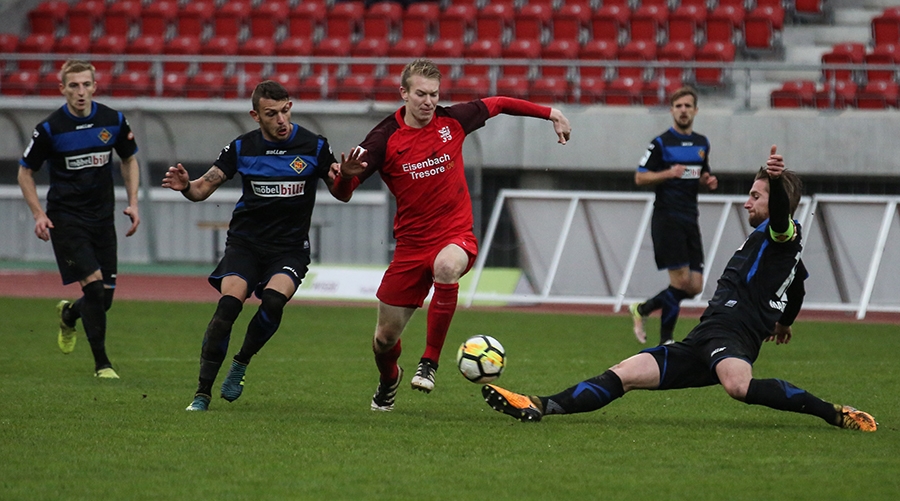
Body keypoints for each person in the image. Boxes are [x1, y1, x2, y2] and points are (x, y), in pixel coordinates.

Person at [481, 146, 877, 433]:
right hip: (704, 336)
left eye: (755, 195)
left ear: (777, 203)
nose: (746, 203)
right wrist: (785, 322)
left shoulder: (783, 234)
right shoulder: (774, 247)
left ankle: (834, 413)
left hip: (734, 335)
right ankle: (539, 405)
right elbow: (799, 284)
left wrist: (775, 182)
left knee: (738, 386)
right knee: (625, 372)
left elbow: (781, 226)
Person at [335, 58, 572, 411]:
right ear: (404, 93)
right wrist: (344, 177)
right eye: (421, 94)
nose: (429, 101)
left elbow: (499, 103)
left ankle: (429, 362)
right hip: (411, 247)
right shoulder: (383, 139)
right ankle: (389, 379)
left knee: (446, 267)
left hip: (455, 234)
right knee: (383, 339)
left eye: (434, 94)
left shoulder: (453, 120)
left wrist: (550, 112)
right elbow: (343, 193)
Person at [162, 80, 347, 412]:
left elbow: (340, 191)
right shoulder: (242, 148)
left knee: (273, 302)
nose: (281, 120)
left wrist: (347, 176)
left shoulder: (314, 146)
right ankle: (202, 394)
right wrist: (186, 186)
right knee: (228, 308)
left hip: (289, 248)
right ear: (255, 116)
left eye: (285, 111)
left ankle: (241, 363)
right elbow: (202, 189)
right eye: (271, 114)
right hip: (246, 244)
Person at [18, 59, 141, 379]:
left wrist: (133, 203)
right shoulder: (50, 128)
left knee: (104, 299)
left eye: (86, 84)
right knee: (95, 290)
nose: (81, 91)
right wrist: (39, 214)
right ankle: (103, 365)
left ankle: (70, 314)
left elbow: (129, 159)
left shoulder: (113, 120)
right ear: (62, 89)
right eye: (74, 85)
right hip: (66, 220)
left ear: (95, 86)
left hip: (102, 219)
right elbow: (25, 172)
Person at [630, 86, 718, 346]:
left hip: (691, 217)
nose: (683, 110)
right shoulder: (660, 143)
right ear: (671, 110)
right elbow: (640, 177)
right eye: (678, 106)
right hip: (667, 217)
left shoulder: (702, 143)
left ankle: (643, 309)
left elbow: (700, 174)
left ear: (695, 111)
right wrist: (668, 173)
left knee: (695, 286)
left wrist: (707, 180)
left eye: (687, 106)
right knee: (680, 282)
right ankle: (666, 341)